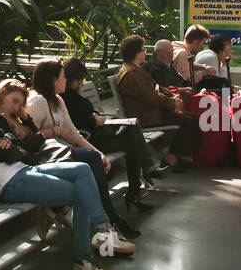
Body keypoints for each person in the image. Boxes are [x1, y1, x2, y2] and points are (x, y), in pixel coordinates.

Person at [0, 79, 126, 270]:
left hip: (25, 170)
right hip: (11, 183)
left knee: (83, 170)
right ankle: (87, 255)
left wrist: (5, 138)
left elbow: (1, 139)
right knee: (82, 192)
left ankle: (102, 231)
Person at [26, 59, 143, 236]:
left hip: (62, 154)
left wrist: (98, 152)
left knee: (94, 161)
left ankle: (103, 220)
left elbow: (73, 134)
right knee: (91, 165)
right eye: (63, 77)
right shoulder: (38, 102)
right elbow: (29, 137)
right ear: (53, 80)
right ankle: (109, 220)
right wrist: (56, 131)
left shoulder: (57, 100)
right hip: (46, 158)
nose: (65, 80)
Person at [61, 55, 166, 214]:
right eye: (78, 79)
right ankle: (140, 182)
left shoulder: (72, 93)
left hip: (99, 133)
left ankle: (142, 178)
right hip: (90, 140)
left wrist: (95, 116)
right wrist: (93, 120)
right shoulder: (64, 96)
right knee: (133, 144)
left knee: (133, 126)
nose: (80, 83)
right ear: (70, 77)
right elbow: (75, 122)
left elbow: (87, 110)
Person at [116, 35, 202, 171]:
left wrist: (173, 97)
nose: (145, 52)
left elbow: (156, 88)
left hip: (149, 110)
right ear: (136, 53)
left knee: (190, 117)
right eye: (143, 49)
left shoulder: (135, 69)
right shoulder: (132, 73)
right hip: (145, 115)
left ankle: (177, 155)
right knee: (188, 120)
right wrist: (173, 102)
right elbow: (152, 97)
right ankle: (174, 157)